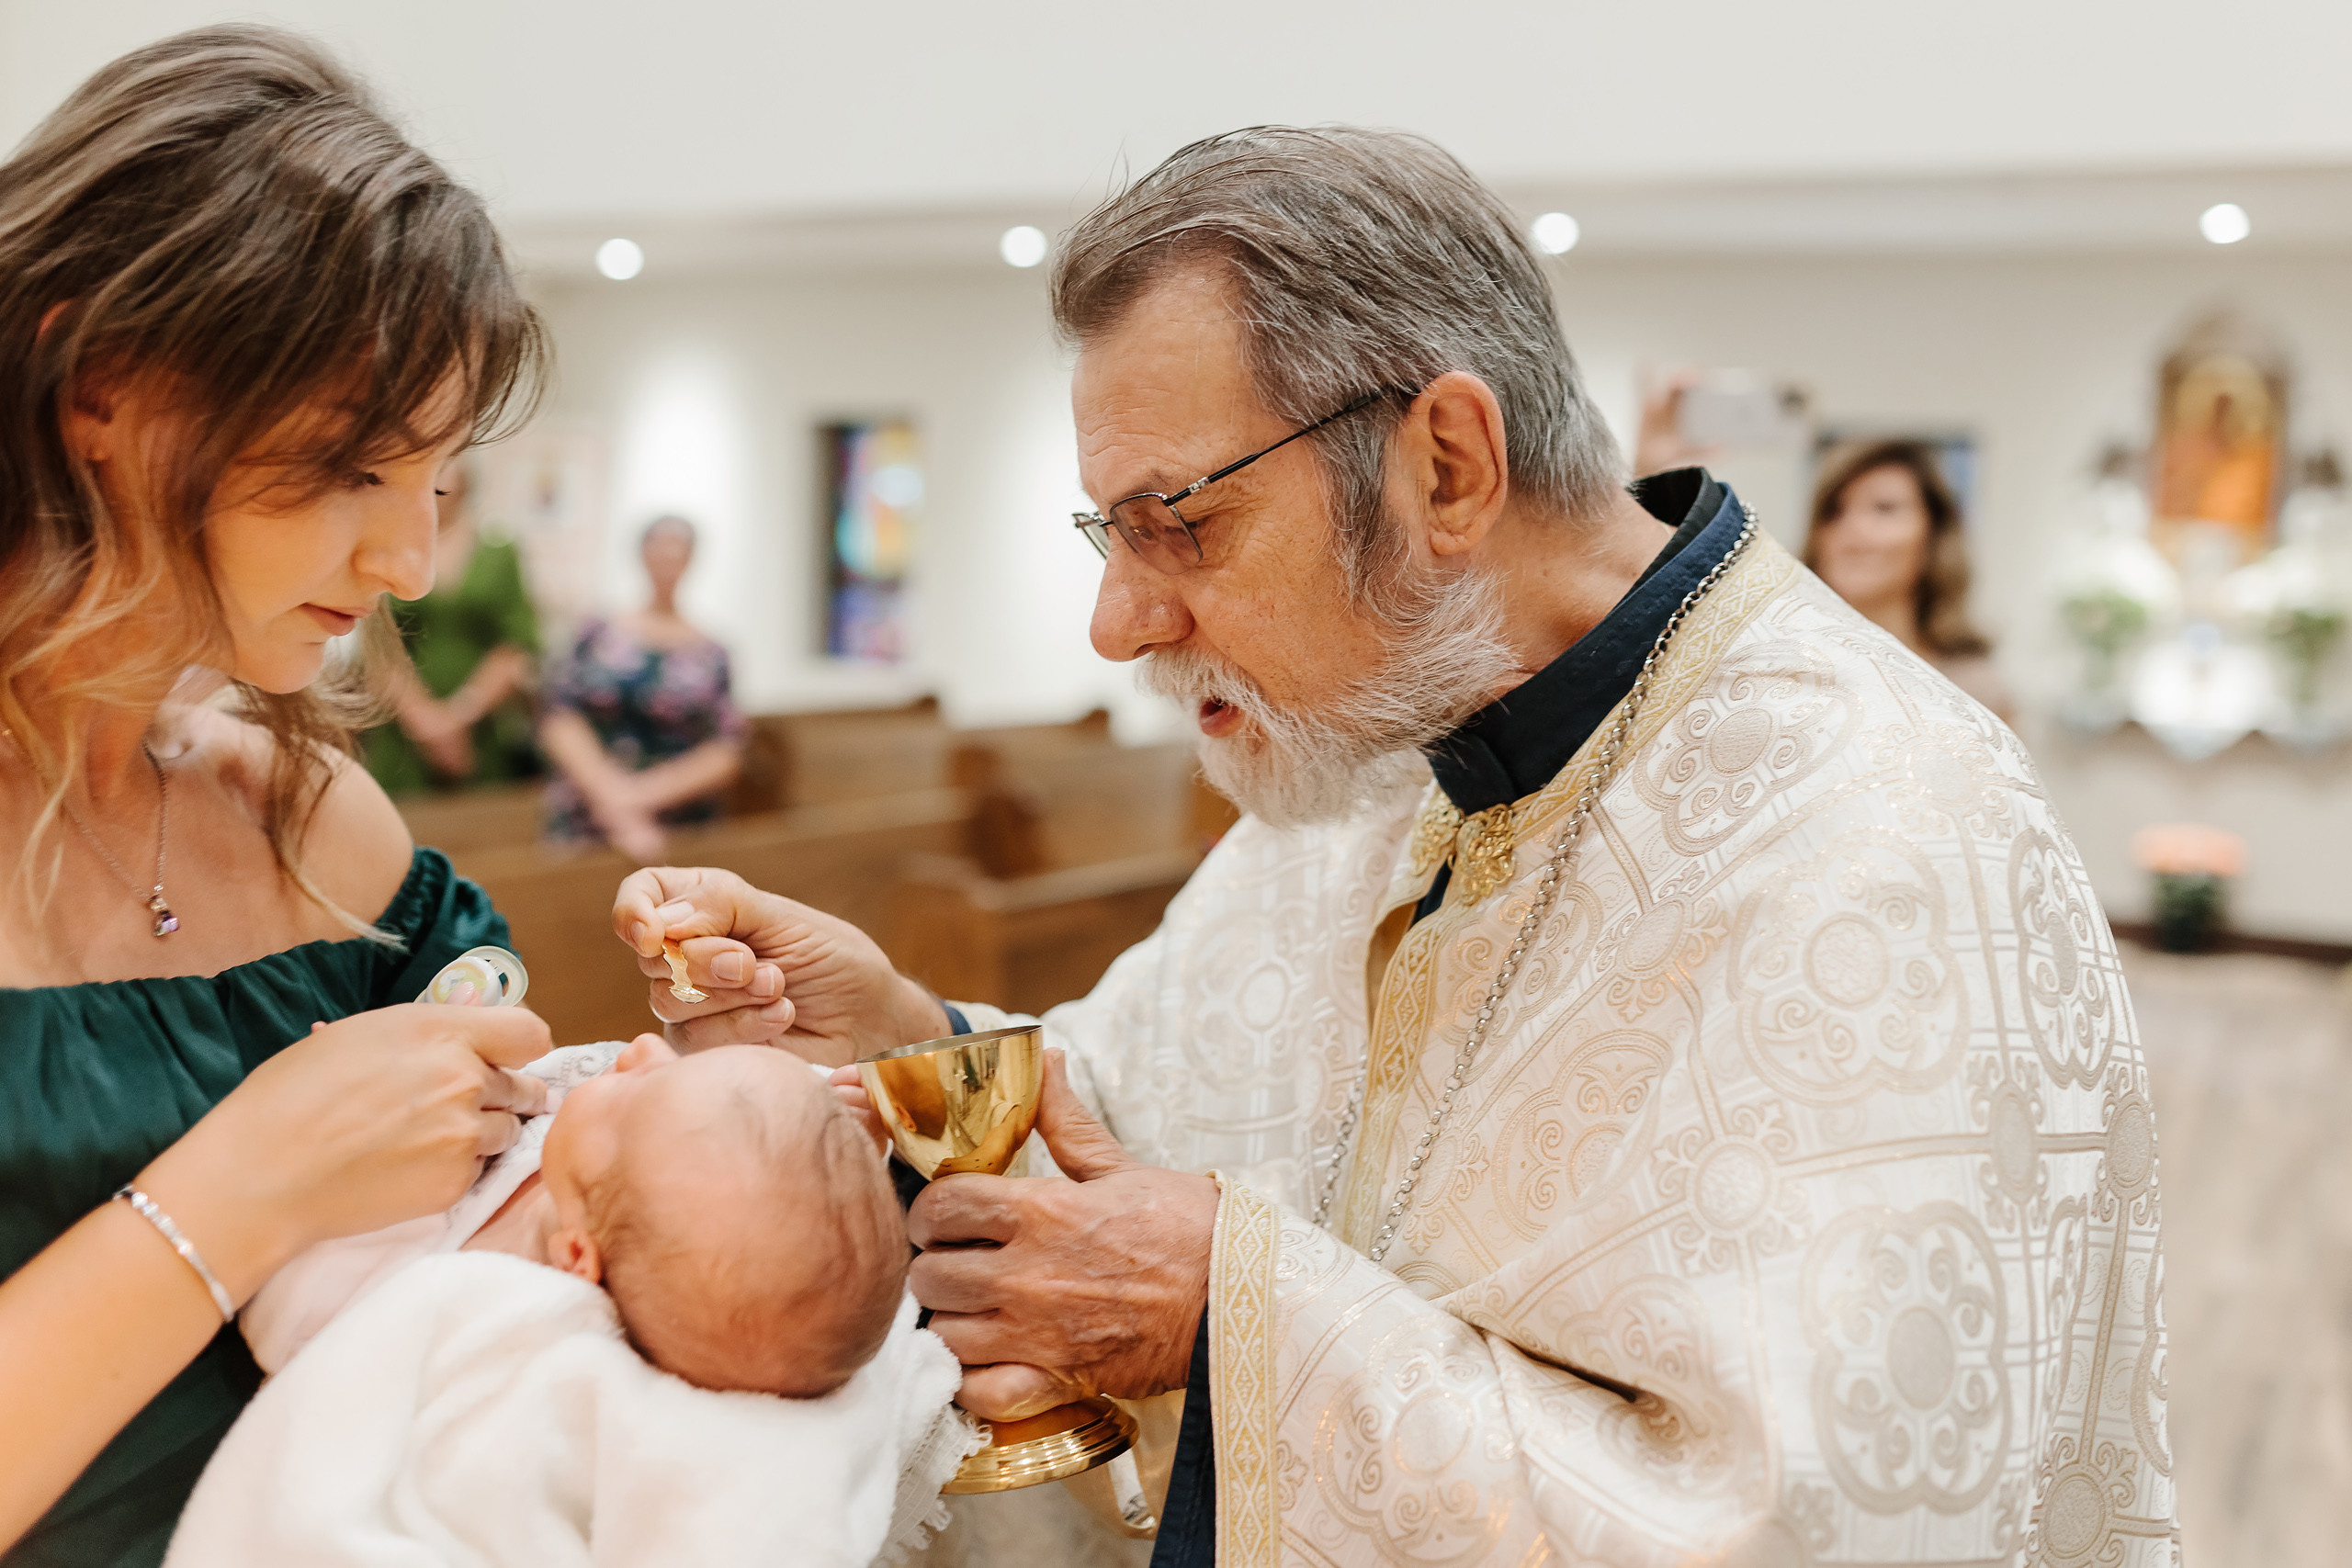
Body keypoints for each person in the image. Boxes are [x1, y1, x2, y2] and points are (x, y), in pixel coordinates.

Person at [628, 127, 2177, 1565]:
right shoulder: (1385, 734)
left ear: (1445, 464)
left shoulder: (1877, 839)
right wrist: (903, 1029)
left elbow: (1821, 1516)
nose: (1120, 623)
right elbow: (1137, 1107)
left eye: (1181, 520)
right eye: (1112, 537)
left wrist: (1233, 1321)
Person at [0, 28, 577, 1565]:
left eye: (437, 482)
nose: (412, 566)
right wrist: (246, 1185)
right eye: (345, 469)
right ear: (98, 386)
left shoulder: (316, 820)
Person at [242, 1032, 907, 1397]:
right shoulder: (669, 1180)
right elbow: (766, 1164)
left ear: (577, 1258)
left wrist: (323, 1127)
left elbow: (291, 1323)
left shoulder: (456, 1293)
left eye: (633, 1088)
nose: (642, 1047)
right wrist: (837, 1126)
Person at [538, 516, 745, 863]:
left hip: (676, 828)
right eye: (657, 546)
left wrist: (639, 797)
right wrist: (614, 802)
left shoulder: (712, 653)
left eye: (677, 549)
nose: (666, 558)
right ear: (641, 554)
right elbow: (558, 717)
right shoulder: (597, 632)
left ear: (691, 560)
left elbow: (726, 749)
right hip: (589, 817)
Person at [362, 461, 542, 794]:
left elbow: (516, 644)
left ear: (464, 478)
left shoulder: (500, 553)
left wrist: (459, 718)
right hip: (402, 724)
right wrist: (424, 721)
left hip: (480, 727)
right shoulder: (387, 547)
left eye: (445, 464)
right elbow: (376, 645)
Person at [1805, 438, 2016, 719]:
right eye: (1835, 512)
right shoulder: (1780, 671)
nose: (1851, 531)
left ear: (1933, 535)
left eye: (1884, 509)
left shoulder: (1974, 692)